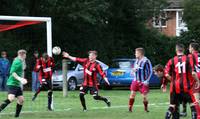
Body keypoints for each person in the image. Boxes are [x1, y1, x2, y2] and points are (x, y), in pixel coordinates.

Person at [164, 44, 200, 119]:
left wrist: (172, 80)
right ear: (183, 50)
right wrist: (197, 81)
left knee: (172, 105)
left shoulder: (171, 60)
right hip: (186, 86)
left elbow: (166, 74)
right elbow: (193, 73)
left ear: (176, 50)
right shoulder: (188, 59)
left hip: (174, 87)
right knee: (192, 104)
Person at [0, 50, 28, 117]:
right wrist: (20, 79)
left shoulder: (20, 61)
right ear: (22, 55)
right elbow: (13, 73)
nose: (26, 56)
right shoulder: (17, 62)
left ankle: (16, 116)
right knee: (11, 98)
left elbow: (23, 68)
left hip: (16, 84)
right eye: (25, 55)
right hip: (12, 83)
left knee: (21, 100)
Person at [128, 47, 153, 112]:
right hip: (135, 80)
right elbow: (135, 68)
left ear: (140, 53)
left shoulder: (146, 61)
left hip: (143, 81)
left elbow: (150, 71)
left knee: (144, 96)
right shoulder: (137, 60)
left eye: (136, 53)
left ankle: (146, 108)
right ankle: (130, 109)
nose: (135, 54)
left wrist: (147, 80)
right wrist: (132, 71)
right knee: (132, 94)